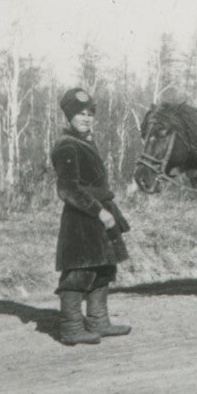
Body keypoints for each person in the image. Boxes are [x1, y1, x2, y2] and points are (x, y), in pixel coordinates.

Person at [51, 86, 132, 346]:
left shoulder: (86, 143)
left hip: (98, 214)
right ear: (68, 117)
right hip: (81, 218)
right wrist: (99, 212)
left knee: (103, 267)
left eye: (90, 114)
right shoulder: (66, 146)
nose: (86, 118)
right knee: (79, 272)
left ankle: (98, 320)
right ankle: (71, 327)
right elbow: (67, 189)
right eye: (80, 114)